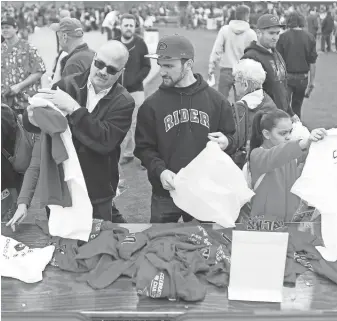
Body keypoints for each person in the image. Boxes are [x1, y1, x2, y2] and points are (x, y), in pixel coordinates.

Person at [8, 41, 135, 229]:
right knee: (61, 247)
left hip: (97, 193)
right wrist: (32, 114)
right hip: (61, 190)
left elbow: (104, 142)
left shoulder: (124, 101)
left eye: (111, 69)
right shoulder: (66, 85)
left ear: (120, 72)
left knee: (99, 248)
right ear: (93, 60)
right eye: (99, 64)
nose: (102, 71)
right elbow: (40, 142)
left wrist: (73, 108)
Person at [134, 35, 236, 223]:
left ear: (188, 64)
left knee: (204, 247)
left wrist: (227, 141)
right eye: (160, 65)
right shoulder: (151, 105)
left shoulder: (217, 101)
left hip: (204, 192)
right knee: (160, 245)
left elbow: (233, 139)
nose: (162, 72)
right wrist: (160, 171)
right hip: (165, 194)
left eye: (169, 66)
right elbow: (143, 148)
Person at [247, 109, 327, 222]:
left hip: (291, 225)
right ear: (266, 134)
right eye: (283, 133)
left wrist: (323, 140)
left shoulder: (293, 154)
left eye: (290, 131)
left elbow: (315, 152)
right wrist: (304, 142)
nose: (288, 137)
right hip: (264, 228)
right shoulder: (257, 155)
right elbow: (278, 154)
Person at [241, 14, 297, 120]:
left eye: (277, 33)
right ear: (258, 33)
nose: (275, 37)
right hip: (265, 120)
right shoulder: (250, 57)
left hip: (281, 117)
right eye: (271, 33)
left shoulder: (276, 54)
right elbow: (249, 96)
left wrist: (290, 112)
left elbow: (282, 88)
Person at [116, 13, 151, 166]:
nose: (129, 28)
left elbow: (147, 66)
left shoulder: (140, 43)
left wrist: (135, 80)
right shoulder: (114, 43)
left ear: (135, 27)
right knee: (122, 123)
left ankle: (144, 155)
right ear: (120, 26)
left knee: (137, 124)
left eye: (131, 25)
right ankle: (128, 153)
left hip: (136, 91)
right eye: (126, 25)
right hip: (117, 92)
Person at [208, 5, 257, 100]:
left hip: (226, 69)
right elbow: (254, 56)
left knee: (221, 102)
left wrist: (211, 67)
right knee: (241, 105)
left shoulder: (225, 30)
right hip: (242, 71)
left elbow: (217, 50)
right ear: (247, 16)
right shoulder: (251, 33)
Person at [276, 12, 318, 120]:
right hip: (302, 77)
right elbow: (312, 62)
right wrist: (311, 82)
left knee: (283, 106)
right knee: (297, 106)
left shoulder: (283, 37)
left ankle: (283, 128)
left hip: (286, 77)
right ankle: (296, 129)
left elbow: (278, 60)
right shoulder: (310, 37)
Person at [1, 16, 46, 114]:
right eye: (2, 27)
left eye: (7, 27)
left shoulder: (28, 47)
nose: (4, 30)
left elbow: (39, 71)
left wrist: (19, 86)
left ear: (16, 28)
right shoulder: (1, 49)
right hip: (6, 103)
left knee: (28, 128)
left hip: (26, 101)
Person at [233, 59, 277, 144]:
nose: (234, 84)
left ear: (245, 84)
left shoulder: (240, 109)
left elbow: (234, 141)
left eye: (236, 81)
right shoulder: (270, 102)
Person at [50, 17, 95, 82]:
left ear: (64, 37)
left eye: (58, 36)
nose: (58, 41)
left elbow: (66, 91)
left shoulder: (72, 63)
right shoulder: (93, 54)